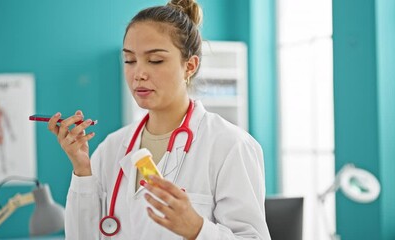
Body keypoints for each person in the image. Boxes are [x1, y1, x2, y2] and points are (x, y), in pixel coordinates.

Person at [48, 0, 271, 239]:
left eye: (155, 60)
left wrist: (198, 229)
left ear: (190, 66)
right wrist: (82, 169)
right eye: (129, 61)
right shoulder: (111, 148)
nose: (139, 74)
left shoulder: (231, 145)